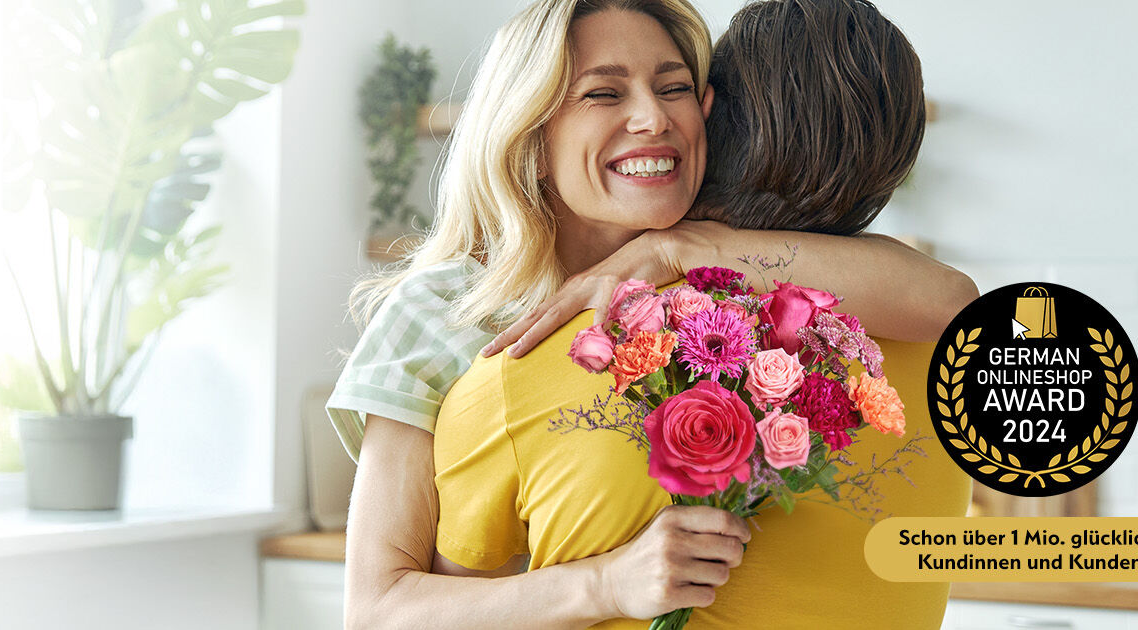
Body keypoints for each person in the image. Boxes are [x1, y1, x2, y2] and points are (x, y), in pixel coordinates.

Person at [329, 0, 973, 627]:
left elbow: (949, 302)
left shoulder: (725, 273)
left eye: (674, 89)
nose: (652, 119)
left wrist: (678, 247)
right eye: (604, 94)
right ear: (530, 131)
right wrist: (605, 584)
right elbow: (377, 611)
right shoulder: (446, 309)